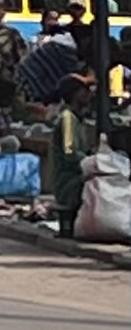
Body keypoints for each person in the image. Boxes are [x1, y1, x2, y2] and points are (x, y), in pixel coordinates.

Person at [49, 71, 96, 239]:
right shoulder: (68, 119)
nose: (89, 94)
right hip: (68, 182)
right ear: (74, 94)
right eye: (85, 91)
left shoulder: (77, 119)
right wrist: (91, 163)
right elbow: (70, 153)